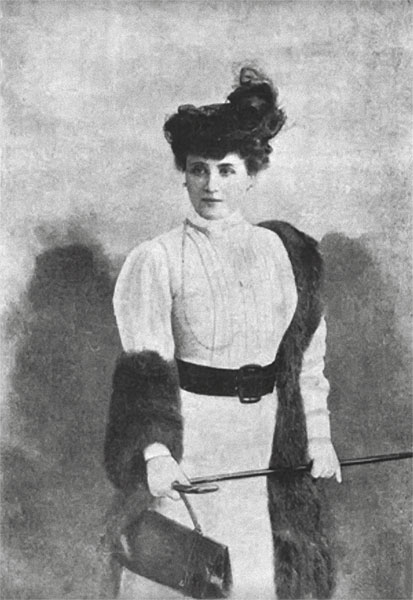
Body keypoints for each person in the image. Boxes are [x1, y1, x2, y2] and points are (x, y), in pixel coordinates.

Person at [103, 66, 341, 600]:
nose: (212, 185)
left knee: (254, 572)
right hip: (190, 437)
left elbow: (307, 364)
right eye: (199, 170)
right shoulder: (156, 259)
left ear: (251, 175)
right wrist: (156, 454)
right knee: (179, 577)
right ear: (184, 175)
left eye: (227, 170)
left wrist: (320, 439)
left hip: (262, 440)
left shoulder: (288, 256)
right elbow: (145, 368)